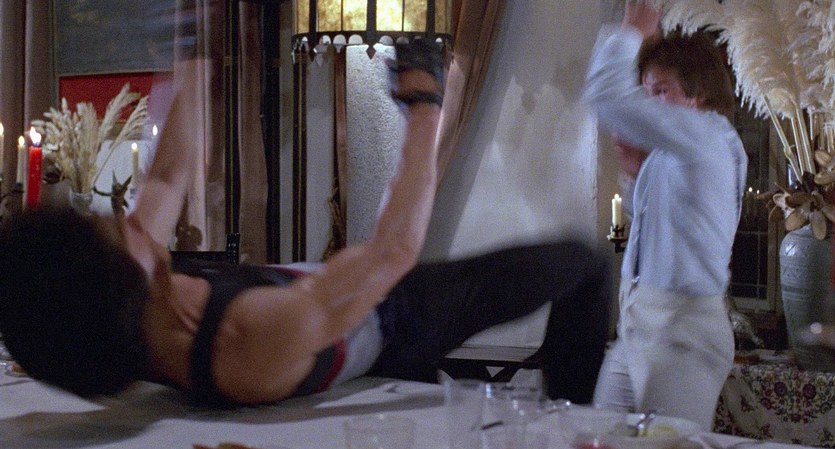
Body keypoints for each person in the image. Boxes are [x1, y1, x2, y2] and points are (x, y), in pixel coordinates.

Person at [0, 40, 612, 407]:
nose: (127, 220)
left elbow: (166, 178)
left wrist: (188, 50)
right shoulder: (246, 343)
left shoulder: (132, 311)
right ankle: (579, 423)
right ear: (128, 279)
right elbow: (393, 252)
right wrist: (426, 105)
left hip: (331, 292)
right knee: (584, 265)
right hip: (396, 318)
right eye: (117, 231)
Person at [582, 2, 747, 429]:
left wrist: (631, 30)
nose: (650, 104)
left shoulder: (705, 135)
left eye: (661, 91)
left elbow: (605, 95)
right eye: (647, 92)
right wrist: (634, 176)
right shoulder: (676, 150)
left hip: (682, 338)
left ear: (698, 94)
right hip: (636, 328)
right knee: (600, 436)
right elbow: (656, 228)